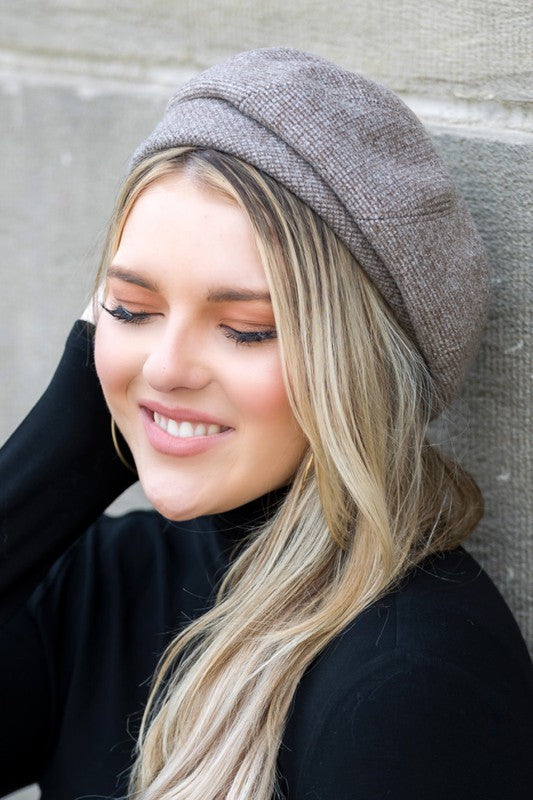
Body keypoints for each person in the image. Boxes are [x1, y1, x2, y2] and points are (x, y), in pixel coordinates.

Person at [1, 47, 532, 800]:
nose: (166, 366)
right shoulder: (107, 582)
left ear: (362, 369)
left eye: (246, 329)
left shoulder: (411, 687)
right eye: (131, 309)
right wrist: (71, 435)